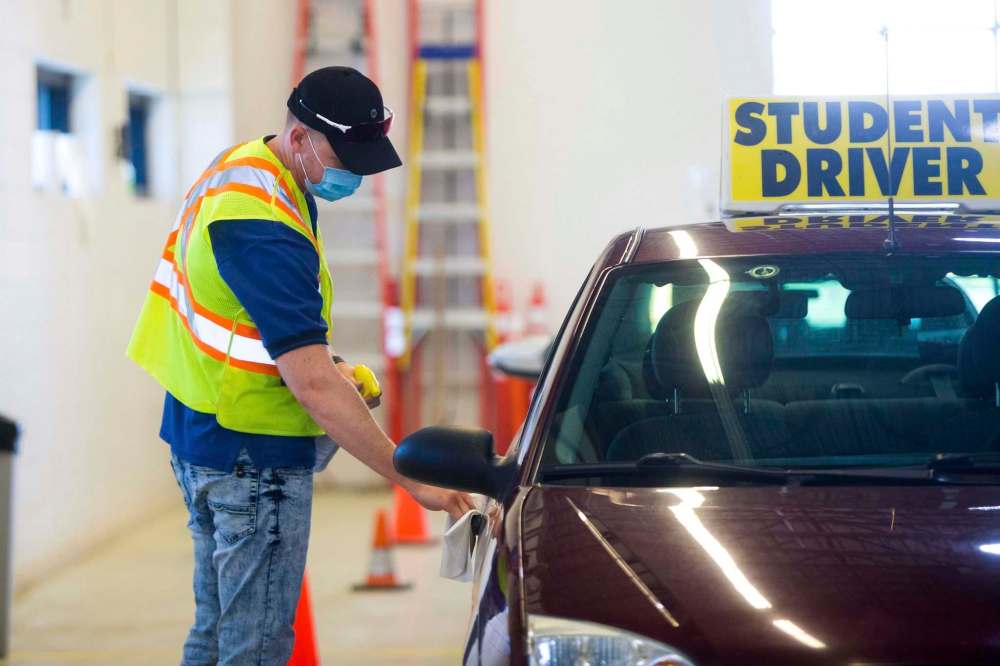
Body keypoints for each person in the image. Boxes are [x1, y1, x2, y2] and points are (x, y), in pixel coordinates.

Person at [126, 66, 475, 665]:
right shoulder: (265, 226)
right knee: (256, 647)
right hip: (251, 459)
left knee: (214, 633)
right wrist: (409, 475)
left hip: (199, 434)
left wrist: (327, 362)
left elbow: (246, 323)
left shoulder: (245, 168)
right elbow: (309, 382)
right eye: (347, 159)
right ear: (300, 138)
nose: (355, 176)